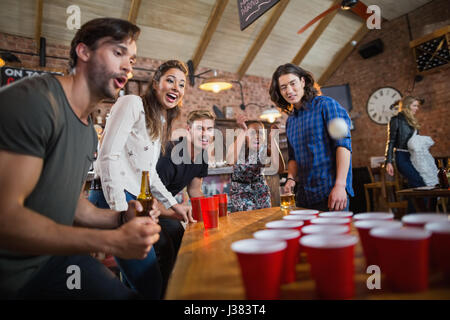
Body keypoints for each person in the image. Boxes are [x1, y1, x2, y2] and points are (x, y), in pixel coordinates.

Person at [0, 18, 162, 300]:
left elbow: (74, 207)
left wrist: (122, 216)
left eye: (132, 59)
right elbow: (6, 218)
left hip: (55, 260)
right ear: (83, 52)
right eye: (118, 52)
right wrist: (110, 240)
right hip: (13, 276)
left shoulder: (87, 131)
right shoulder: (35, 103)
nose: (128, 66)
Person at [90, 59, 193, 299]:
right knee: (150, 283)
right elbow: (107, 156)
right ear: (156, 83)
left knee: (135, 281)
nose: (176, 88)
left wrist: (174, 204)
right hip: (112, 198)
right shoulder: (132, 103)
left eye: (181, 84)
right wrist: (121, 213)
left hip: (133, 202)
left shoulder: (158, 120)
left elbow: (150, 173)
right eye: (170, 80)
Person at [270, 63, 353, 212]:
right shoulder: (291, 121)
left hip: (331, 194)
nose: (289, 90)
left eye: (292, 83)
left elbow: (343, 146)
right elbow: (293, 157)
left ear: (302, 82)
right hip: (304, 197)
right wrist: (290, 178)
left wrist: (341, 186)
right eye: (283, 87)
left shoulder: (327, 105)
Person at [155, 109, 215, 296]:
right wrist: (179, 212)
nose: (205, 134)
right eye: (200, 129)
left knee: (190, 238)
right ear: (189, 130)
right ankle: (166, 291)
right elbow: (152, 199)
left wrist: (207, 212)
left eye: (210, 129)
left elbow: (194, 190)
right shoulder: (170, 154)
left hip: (167, 203)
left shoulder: (203, 155)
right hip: (146, 205)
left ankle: (185, 286)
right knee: (170, 242)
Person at [226, 115, 282, 212]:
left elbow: (279, 169)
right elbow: (230, 161)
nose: (256, 136)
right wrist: (243, 130)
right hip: (240, 192)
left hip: (261, 191)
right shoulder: (239, 146)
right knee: (246, 223)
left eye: (260, 133)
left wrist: (273, 140)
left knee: (264, 220)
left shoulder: (264, 149)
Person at [385, 96, 426, 188]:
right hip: (402, 157)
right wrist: (388, 162)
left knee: (417, 184)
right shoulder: (396, 120)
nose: (417, 108)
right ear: (407, 106)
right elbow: (391, 142)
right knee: (419, 181)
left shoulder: (413, 121)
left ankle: (414, 203)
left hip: (414, 157)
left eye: (417, 106)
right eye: (414, 106)